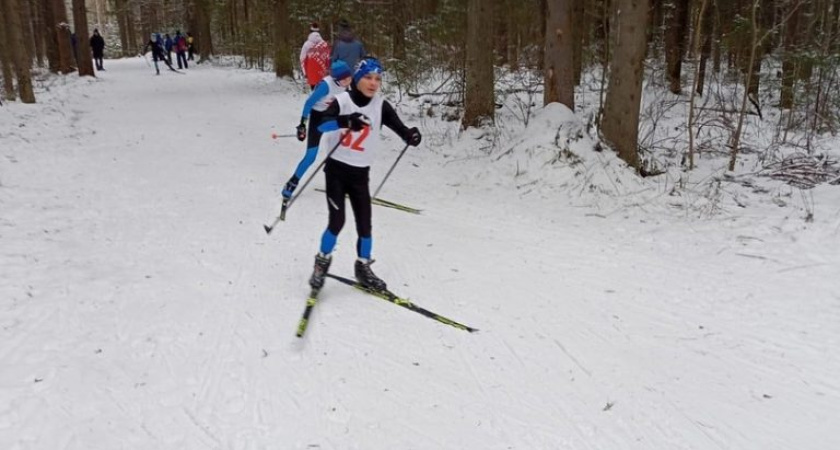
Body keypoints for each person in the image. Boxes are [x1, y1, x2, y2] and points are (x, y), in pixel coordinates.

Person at [307, 57, 422, 292]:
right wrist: (345, 121)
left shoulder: (381, 106)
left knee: (365, 224)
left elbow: (400, 129)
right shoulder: (342, 101)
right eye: (368, 77)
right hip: (337, 171)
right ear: (358, 79)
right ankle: (321, 262)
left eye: (378, 79)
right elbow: (322, 124)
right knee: (337, 221)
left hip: (360, 174)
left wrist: (410, 135)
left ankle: (363, 266)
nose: (373, 83)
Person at [282, 60, 353, 200]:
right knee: (311, 157)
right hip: (318, 117)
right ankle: (292, 182)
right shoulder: (326, 85)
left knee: (344, 150)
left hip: (333, 114)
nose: (348, 81)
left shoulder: (348, 83)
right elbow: (309, 103)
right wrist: (302, 124)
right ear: (336, 78)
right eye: (344, 79)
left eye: (349, 77)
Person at [299, 22, 331, 90]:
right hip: (323, 74)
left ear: (310, 32)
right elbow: (328, 59)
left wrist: (305, 73)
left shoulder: (306, 44)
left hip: (311, 73)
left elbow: (302, 59)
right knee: (323, 93)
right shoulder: (324, 44)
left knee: (314, 93)